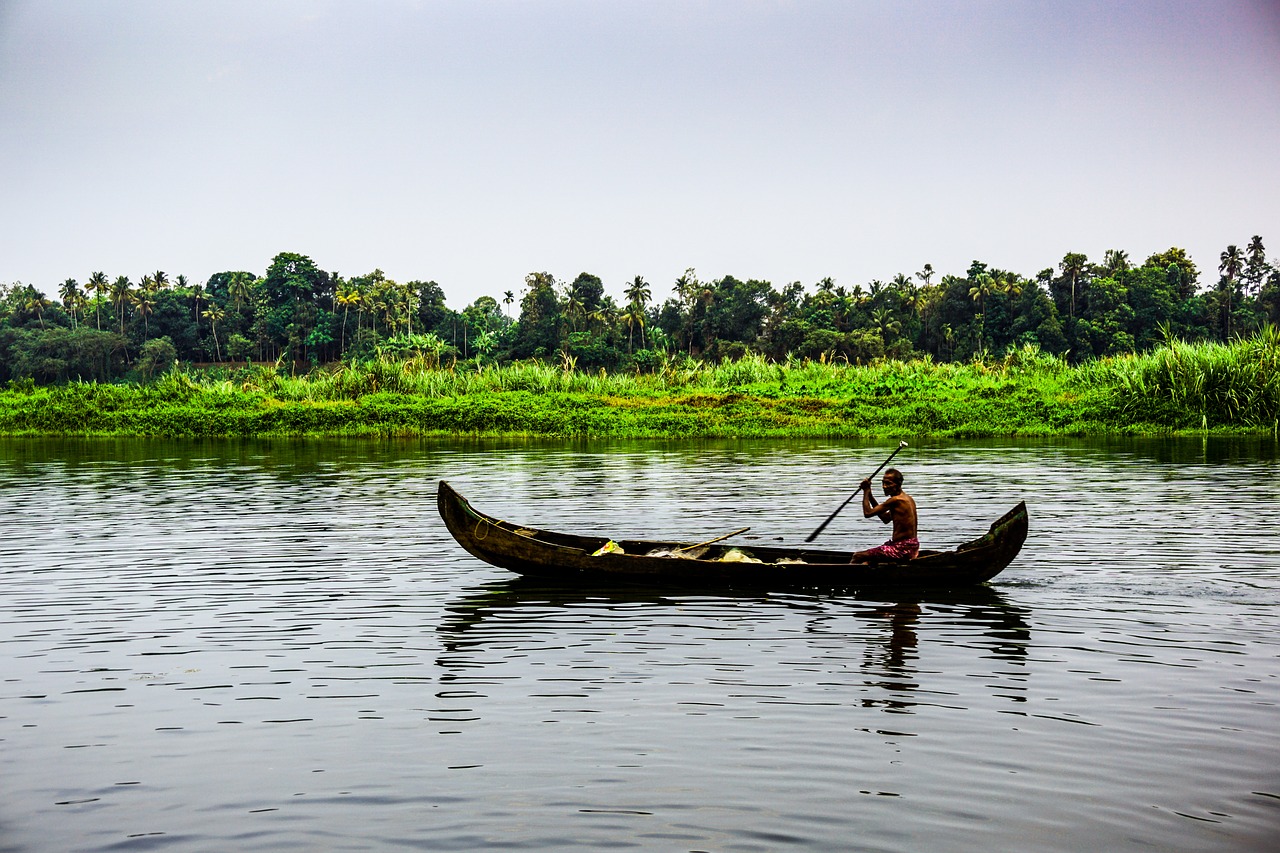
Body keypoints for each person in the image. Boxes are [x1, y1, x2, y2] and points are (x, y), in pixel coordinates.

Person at [850, 467, 919, 563]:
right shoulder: (908, 499)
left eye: (888, 483)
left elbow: (867, 513)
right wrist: (869, 494)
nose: (884, 486)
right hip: (911, 547)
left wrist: (865, 491)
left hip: (902, 549)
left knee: (857, 556)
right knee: (867, 562)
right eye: (883, 483)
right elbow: (885, 518)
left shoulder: (896, 500)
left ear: (898, 484)